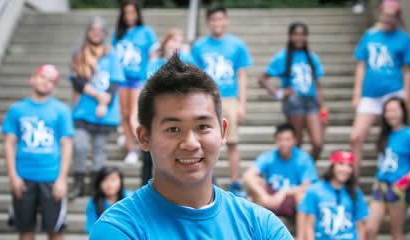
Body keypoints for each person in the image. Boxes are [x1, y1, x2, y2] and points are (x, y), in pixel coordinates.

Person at [89, 54, 291, 239]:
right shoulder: (118, 230)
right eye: (173, 129)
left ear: (222, 132)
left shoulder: (261, 227)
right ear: (144, 137)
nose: (191, 143)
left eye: (202, 126)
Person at [2, 65, 74, 240]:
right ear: (33, 78)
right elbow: (9, 143)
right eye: (43, 77)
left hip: (51, 179)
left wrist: (62, 179)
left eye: (51, 81)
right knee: (25, 231)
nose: (46, 83)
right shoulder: (17, 110)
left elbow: (66, 144)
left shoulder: (61, 110)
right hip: (23, 179)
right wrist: (13, 176)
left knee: (55, 231)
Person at [191, 5, 253, 196]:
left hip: (229, 99)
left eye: (220, 19)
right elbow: (195, 75)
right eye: (213, 20)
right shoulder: (200, 46)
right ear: (209, 22)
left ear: (225, 20)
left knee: (232, 142)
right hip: (206, 98)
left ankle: (235, 182)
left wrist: (241, 103)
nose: (217, 23)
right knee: (206, 141)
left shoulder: (237, 45)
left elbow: (242, 75)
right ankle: (208, 180)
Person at [349, 0, 410, 173]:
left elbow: (408, 71)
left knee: (396, 138)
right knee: (355, 137)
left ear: (397, 18)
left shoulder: (404, 38)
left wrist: (406, 97)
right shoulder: (370, 35)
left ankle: (399, 176)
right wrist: (357, 93)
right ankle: (353, 182)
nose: (387, 19)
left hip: (394, 93)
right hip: (370, 95)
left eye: (391, 16)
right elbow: (361, 64)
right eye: (385, 14)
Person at [68, 17, 126, 199]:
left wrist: (104, 102)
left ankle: (95, 185)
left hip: (104, 111)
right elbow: (77, 81)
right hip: (83, 109)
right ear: (88, 32)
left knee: (100, 148)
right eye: (93, 29)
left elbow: (115, 80)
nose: (96, 33)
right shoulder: (79, 53)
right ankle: (78, 182)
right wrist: (96, 95)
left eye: (100, 30)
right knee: (80, 145)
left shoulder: (111, 54)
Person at [259, 22, 326, 161]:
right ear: (290, 36)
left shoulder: (312, 57)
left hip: (311, 102)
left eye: (302, 35)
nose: (299, 38)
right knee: (297, 143)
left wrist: (323, 108)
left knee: (318, 143)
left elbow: (317, 85)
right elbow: (262, 79)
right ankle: (298, 175)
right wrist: (279, 94)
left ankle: (307, 169)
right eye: (296, 34)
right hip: (294, 102)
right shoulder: (282, 56)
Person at [139, 28, 193, 186]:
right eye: (173, 40)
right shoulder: (154, 64)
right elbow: (147, 87)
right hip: (154, 114)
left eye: (180, 42)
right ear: (166, 42)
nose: (176, 45)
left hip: (178, 115)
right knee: (148, 156)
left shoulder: (186, 63)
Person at [365, 97, 410, 240]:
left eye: (394, 110)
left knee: (396, 233)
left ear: (403, 111)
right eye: (387, 111)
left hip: (397, 187)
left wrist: (405, 181)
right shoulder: (385, 134)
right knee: (369, 229)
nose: (391, 114)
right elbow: (382, 161)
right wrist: (376, 180)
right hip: (380, 185)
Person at [112, 0, 158, 165]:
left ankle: (142, 145)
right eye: (126, 13)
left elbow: (153, 55)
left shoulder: (146, 32)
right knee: (124, 114)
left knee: (134, 115)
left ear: (138, 14)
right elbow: (113, 58)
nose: (130, 16)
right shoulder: (118, 34)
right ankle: (131, 149)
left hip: (139, 79)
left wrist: (149, 76)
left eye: (133, 12)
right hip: (122, 80)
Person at [242, 123, 318, 219]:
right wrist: (264, 196)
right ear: (276, 141)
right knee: (256, 182)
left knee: (302, 196)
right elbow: (248, 176)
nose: (284, 143)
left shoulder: (303, 158)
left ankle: (302, 233)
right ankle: (259, 229)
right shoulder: (269, 156)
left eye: (287, 139)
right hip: (271, 199)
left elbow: (308, 186)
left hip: (292, 200)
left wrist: (284, 192)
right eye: (280, 139)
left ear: (294, 140)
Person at [296, 150, 369, 240]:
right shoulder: (315, 190)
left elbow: (361, 226)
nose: (345, 169)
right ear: (333, 166)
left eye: (349, 166)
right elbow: (309, 225)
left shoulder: (355, 192)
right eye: (341, 164)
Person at [85, 165, 132, 234]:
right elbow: (91, 229)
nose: (109, 184)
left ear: (120, 181)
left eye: (113, 180)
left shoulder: (129, 198)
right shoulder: (94, 202)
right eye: (105, 180)